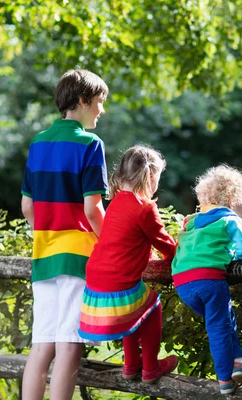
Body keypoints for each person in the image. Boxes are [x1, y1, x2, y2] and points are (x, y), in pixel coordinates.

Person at [20, 69, 109, 400]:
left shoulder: (38, 142)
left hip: (43, 255)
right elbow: (92, 209)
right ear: (83, 101)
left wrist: (47, 234)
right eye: (100, 102)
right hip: (77, 257)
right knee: (69, 345)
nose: (101, 110)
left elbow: (27, 206)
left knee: (42, 344)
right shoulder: (90, 144)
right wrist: (110, 242)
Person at [78, 144, 179, 384]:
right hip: (118, 283)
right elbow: (165, 244)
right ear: (151, 177)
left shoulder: (115, 203)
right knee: (152, 306)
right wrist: (178, 256)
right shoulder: (145, 208)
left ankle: (131, 365)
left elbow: (127, 241)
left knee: (133, 310)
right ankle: (151, 367)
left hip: (95, 281)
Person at [171, 164, 242, 395]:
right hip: (209, 280)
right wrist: (232, 253)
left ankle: (239, 363)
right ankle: (226, 381)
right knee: (220, 329)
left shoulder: (190, 222)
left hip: (182, 284)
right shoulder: (229, 219)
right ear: (235, 200)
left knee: (223, 321)